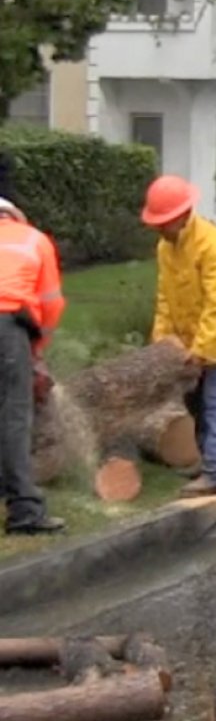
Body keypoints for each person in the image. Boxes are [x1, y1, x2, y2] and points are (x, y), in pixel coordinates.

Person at [141, 175, 216, 497]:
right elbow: (166, 297)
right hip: (189, 341)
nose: (159, 228)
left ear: (181, 215)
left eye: (163, 221)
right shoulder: (166, 248)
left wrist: (201, 350)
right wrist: (163, 342)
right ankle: (208, 460)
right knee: (195, 404)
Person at [0, 198, 66, 535]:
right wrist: (36, 350)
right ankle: (25, 512)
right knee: (13, 419)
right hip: (9, 328)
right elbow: (51, 304)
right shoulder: (34, 239)